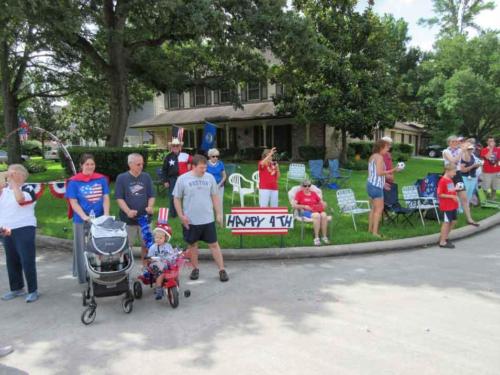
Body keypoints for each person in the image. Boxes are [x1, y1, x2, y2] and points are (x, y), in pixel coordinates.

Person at [173, 154, 228, 282]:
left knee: (214, 244)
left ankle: (222, 270)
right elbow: (176, 198)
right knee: (192, 245)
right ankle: (195, 269)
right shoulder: (182, 179)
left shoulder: (210, 178)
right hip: (190, 220)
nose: (204, 170)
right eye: (201, 168)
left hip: (207, 219)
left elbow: (215, 196)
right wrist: (181, 216)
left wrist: (219, 213)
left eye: (205, 168)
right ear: (193, 166)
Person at [66, 154, 110, 284]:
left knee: (101, 245)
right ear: (81, 165)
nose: (90, 166)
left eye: (92, 164)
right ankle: (82, 275)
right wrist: (84, 216)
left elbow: (106, 197)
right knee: (81, 247)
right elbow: (73, 202)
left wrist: (106, 214)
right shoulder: (74, 182)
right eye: (87, 164)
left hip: (100, 218)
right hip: (81, 219)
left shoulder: (101, 179)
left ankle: (101, 271)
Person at [0, 165, 39, 303]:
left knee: (26, 259)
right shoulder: (4, 190)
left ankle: (33, 290)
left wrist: (14, 183)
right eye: (10, 172)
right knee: (11, 259)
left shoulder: (28, 189)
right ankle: (16, 288)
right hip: (6, 228)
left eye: (14, 172)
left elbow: (20, 200)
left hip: (24, 227)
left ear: (22, 175)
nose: (11, 175)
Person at [115, 153, 155, 263]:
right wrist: (128, 211)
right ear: (130, 164)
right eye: (138, 164)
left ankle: (146, 269)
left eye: (142, 164)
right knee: (126, 247)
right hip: (128, 220)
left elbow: (151, 195)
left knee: (147, 246)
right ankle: (125, 270)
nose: (141, 166)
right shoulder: (122, 178)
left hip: (145, 220)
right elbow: (119, 198)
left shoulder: (146, 177)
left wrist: (150, 207)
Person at [367, 140, 401, 237]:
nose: (388, 149)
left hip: (370, 184)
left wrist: (383, 184)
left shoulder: (372, 157)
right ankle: (375, 233)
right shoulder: (380, 158)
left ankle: (370, 230)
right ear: (381, 147)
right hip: (376, 187)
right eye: (386, 147)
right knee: (379, 210)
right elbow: (379, 173)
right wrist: (394, 170)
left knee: (373, 209)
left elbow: (371, 174)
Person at [442, 136, 479, 226]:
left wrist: (466, 150)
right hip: (449, 176)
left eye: (456, 142)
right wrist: (461, 151)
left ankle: (469, 219)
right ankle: (449, 219)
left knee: (464, 198)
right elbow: (453, 161)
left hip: (457, 175)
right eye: (453, 142)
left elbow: (467, 159)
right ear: (449, 143)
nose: (455, 143)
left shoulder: (459, 150)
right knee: (450, 197)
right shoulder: (446, 151)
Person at [162, 138, 192, 218]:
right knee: (173, 196)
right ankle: (173, 214)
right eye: (173, 145)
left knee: (187, 195)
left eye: (177, 145)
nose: (175, 147)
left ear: (180, 147)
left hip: (184, 179)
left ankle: (186, 212)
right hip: (172, 179)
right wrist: (165, 181)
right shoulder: (168, 157)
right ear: (171, 147)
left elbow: (192, 163)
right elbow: (164, 170)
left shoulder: (185, 155)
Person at [293, 179, 329, 246]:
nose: (307, 187)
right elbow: (294, 205)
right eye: (305, 186)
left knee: (324, 215)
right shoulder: (299, 194)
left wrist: (324, 204)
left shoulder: (314, 193)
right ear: (302, 186)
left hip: (316, 210)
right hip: (305, 212)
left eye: (309, 185)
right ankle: (316, 238)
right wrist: (304, 206)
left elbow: (321, 202)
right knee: (317, 215)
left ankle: (324, 237)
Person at [145, 224, 177, 300]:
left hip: (166, 263)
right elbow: (149, 258)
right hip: (155, 264)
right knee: (161, 272)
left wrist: (174, 255)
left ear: (165, 238)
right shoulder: (153, 247)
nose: (158, 239)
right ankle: (158, 288)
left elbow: (172, 254)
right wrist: (152, 258)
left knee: (174, 268)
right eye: (156, 238)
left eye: (160, 238)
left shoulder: (168, 246)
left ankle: (175, 282)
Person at [437, 164, 459, 248]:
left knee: (453, 221)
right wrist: (452, 196)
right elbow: (440, 194)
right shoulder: (442, 181)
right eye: (454, 172)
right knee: (446, 223)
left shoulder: (450, 179)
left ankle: (444, 237)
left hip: (453, 205)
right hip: (447, 206)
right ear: (447, 171)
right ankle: (442, 242)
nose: (455, 174)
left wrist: (455, 190)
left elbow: (450, 190)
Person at [460, 142, 481, 208]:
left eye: (472, 148)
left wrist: (477, 166)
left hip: (473, 177)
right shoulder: (463, 156)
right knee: (463, 195)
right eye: (470, 148)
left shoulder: (472, 156)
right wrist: (473, 166)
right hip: (465, 177)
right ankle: (460, 209)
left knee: (469, 195)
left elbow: (473, 166)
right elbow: (462, 170)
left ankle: (465, 208)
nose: (472, 149)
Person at [206, 148, 227, 213]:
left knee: (219, 203)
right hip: (209, 186)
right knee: (209, 203)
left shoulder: (220, 163)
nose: (215, 158)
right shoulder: (205, 164)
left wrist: (220, 184)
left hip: (219, 186)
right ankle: (209, 219)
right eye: (213, 156)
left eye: (217, 156)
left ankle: (220, 219)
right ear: (209, 156)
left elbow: (224, 176)